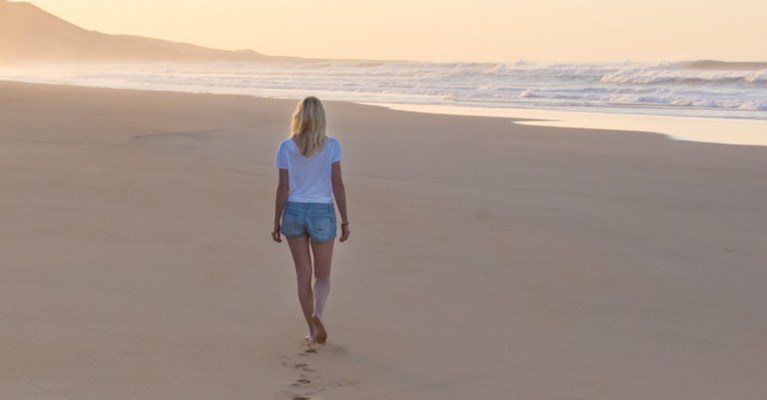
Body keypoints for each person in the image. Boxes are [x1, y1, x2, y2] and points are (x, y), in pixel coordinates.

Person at [271, 96, 350, 345]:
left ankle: (312, 330)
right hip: (321, 212)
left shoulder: (286, 146)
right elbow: (337, 184)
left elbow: (282, 188)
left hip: (293, 211)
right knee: (323, 275)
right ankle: (318, 313)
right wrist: (345, 220)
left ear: (299, 117)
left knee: (302, 275)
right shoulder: (333, 146)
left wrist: (276, 221)